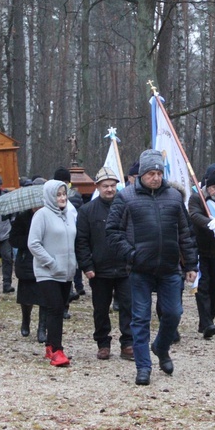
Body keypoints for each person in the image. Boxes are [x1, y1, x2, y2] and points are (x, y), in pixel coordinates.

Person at [106, 149, 198, 386]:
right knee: (140, 318)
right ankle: (143, 366)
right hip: (139, 270)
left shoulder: (175, 198)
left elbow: (186, 233)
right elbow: (113, 232)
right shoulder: (126, 197)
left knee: (173, 313)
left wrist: (190, 264)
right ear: (141, 174)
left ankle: (161, 346)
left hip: (169, 268)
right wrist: (131, 254)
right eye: (151, 173)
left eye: (159, 173)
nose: (155, 177)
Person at [76, 167, 134, 361]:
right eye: (105, 186)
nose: (109, 189)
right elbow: (82, 241)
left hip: (126, 267)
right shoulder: (87, 211)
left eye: (112, 185)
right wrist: (87, 265)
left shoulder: (126, 207)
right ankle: (103, 343)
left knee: (128, 307)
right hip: (99, 270)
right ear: (98, 187)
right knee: (101, 308)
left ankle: (128, 343)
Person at [28, 179, 78, 367]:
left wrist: (73, 264)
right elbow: (33, 243)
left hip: (66, 271)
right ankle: (57, 350)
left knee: (59, 307)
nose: (62, 198)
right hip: (47, 272)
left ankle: (50, 346)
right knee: (55, 308)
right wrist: (50, 262)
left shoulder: (69, 215)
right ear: (50, 196)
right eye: (58, 194)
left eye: (64, 194)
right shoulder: (42, 215)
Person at [188, 166, 215, 339]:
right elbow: (194, 215)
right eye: (214, 188)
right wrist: (210, 223)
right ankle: (207, 323)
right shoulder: (197, 198)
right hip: (200, 249)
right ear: (207, 186)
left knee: (214, 287)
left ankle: (208, 318)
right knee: (202, 286)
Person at [10, 203, 47, 343]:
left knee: (45, 297)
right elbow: (13, 239)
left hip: (45, 259)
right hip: (27, 260)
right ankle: (26, 320)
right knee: (26, 296)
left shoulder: (49, 216)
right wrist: (31, 241)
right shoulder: (22, 217)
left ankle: (42, 328)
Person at [53, 166, 84, 302]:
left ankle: (76, 286)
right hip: (58, 238)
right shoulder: (52, 199)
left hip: (73, 234)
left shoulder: (74, 198)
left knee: (73, 263)